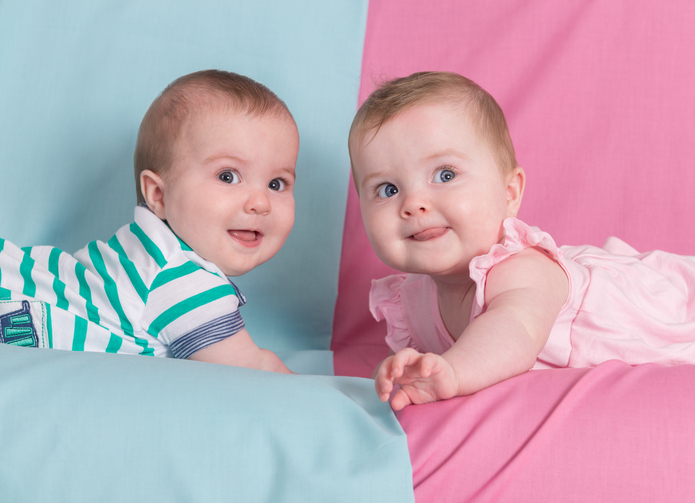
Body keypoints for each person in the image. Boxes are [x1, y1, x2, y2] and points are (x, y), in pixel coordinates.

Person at [348, 71, 695, 410]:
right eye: (388, 189)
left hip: (662, 304)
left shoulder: (521, 270)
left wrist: (453, 372)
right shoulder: (411, 302)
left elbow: (515, 332)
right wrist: (408, 373)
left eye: (445, 175)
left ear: (510, 192)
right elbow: (427, 367)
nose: (413, 204)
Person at [0, 70, 298, 373]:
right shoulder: (182, 279)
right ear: (158, 194)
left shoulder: (146, 253)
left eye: (277, 183)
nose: (261, 203)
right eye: (227, 176)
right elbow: (253, 372)